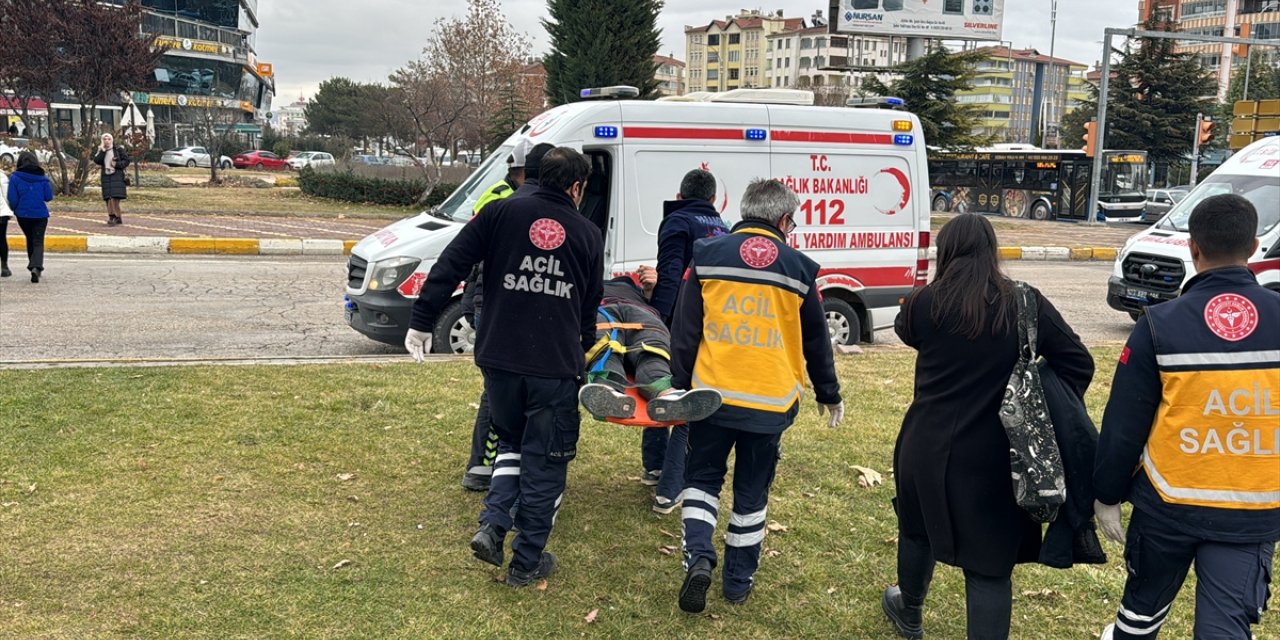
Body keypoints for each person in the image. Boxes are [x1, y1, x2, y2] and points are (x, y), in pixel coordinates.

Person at [882, 213, 1094, 640]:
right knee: (989, 570)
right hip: (998, 452)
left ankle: (910, 610)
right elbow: (1078, 362)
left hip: (924, 441)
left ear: (946, 252)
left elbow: (906, 332)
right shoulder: (1024, 302)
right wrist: (1039, 393)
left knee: (916, 527)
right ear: (992, 251)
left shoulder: (924, 302)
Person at [405, 147, 603, 588]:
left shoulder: (498, 213)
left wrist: (422, 321)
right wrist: (583, 348)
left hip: (498, 359)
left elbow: (452, 263)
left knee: (510, 441)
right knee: (546, 461)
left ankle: (494, 525)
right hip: (553, 365)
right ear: (576, 187)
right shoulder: (588, 233)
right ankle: (526, 561)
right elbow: (590, 305)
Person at [1093, 194, 1278, 640]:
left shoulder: (1159, 324)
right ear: (1254, 248)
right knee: (1224, 629)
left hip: (1167, 506)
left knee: (1139, 619)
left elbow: (1124, 425)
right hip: (1249, 513)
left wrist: (1106, 495)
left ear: (1193, 248)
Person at [670, 178, 842, 613]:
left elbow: (686, 329)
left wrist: (678, 384)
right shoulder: (800, 268)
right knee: (751, 494)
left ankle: (698, 556)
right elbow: (816, 340)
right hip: (770, 402)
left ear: (745, 211)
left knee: (702, 480)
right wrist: (829, 392)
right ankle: (737, 581)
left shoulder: (706, 255)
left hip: (712, 396)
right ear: (784, 220)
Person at [459, 141, 554, 493]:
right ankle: (488, 466)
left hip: (488, 300)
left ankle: (492, 465)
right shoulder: (508, 201)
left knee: (501, 389)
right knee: (502, 392)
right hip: (496, 301)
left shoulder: (503, 197)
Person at [642, 168, 731, 513]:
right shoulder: (723, 228)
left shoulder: (677, 222)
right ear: (712, 200)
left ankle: (664, 481)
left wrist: (656, 318)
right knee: (682, 395)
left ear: (679, 197)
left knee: (670, 392)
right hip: (710, 324)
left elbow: (670, 276)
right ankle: (663, 475)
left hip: (678, 321)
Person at [578, 266, 722, 424]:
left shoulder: (589, 288)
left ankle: (608, 391)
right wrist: (648, 290)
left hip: (604, 310)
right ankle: (668, 394)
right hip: (644, 314)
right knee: (652, 355)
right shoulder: (635, 291)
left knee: (606, 352)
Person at [6, 151, 53, 283]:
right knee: (38, 240)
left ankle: (33, 264)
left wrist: (15, 209)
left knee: (30, 238)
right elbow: (48, 197)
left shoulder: (15, 177)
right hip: (40, 214)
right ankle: (36, 267)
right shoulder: (43, 177)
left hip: (23, 215)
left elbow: (12, 198)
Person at [93, 133, 130, 226]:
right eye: (104, 139)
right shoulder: (101, 150)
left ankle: (115, 217)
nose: (107, 141)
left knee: (114, 198)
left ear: (112, 140)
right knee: (108, 198)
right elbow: (97, 160)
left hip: (116, 176)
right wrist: (103, 151)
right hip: (106, 177)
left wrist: (116, 165)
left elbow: (126, 161)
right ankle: (114, 217)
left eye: (108, 139)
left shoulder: (118, 150)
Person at [0, 166, 12, 277]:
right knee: (2, 239)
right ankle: (4, 266)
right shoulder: (1, 175)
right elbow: (6, 195)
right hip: (1, 213)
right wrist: (9, 210)